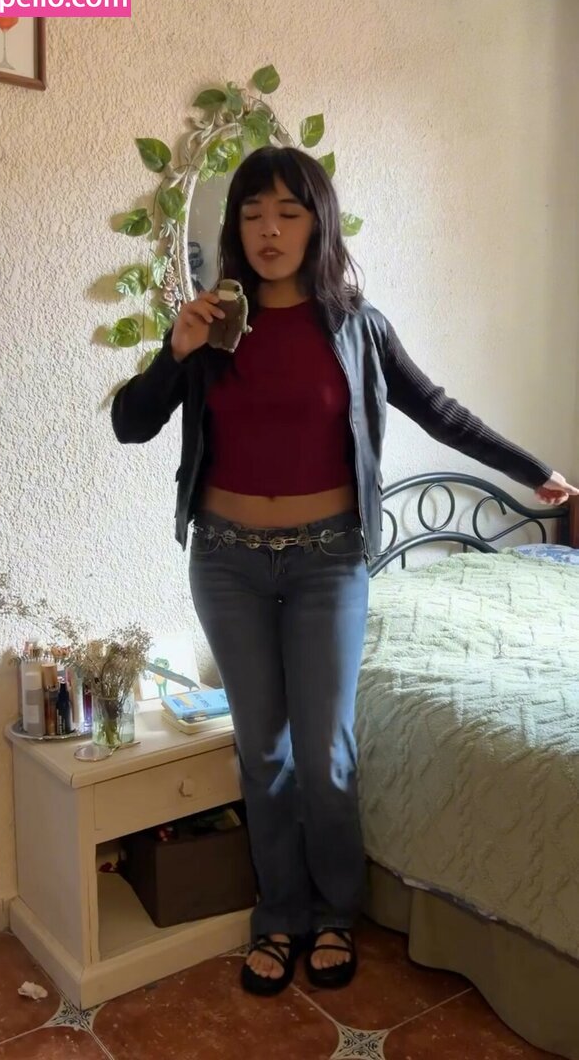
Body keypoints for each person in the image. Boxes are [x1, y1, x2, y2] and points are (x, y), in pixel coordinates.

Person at [111, 145, 578, 996]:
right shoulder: (213, 327)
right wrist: (174, 352)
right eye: (253, 213)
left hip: (328, 561)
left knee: (325, 752)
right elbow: (130, 425)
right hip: (227, 563)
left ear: (317, 221)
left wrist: (531, 468)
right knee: (264, 752)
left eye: (288, 212)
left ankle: (334, 913)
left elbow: (438, 409)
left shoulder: (359, 326)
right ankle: (278, 914)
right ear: (236, 226)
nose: (269, 230)